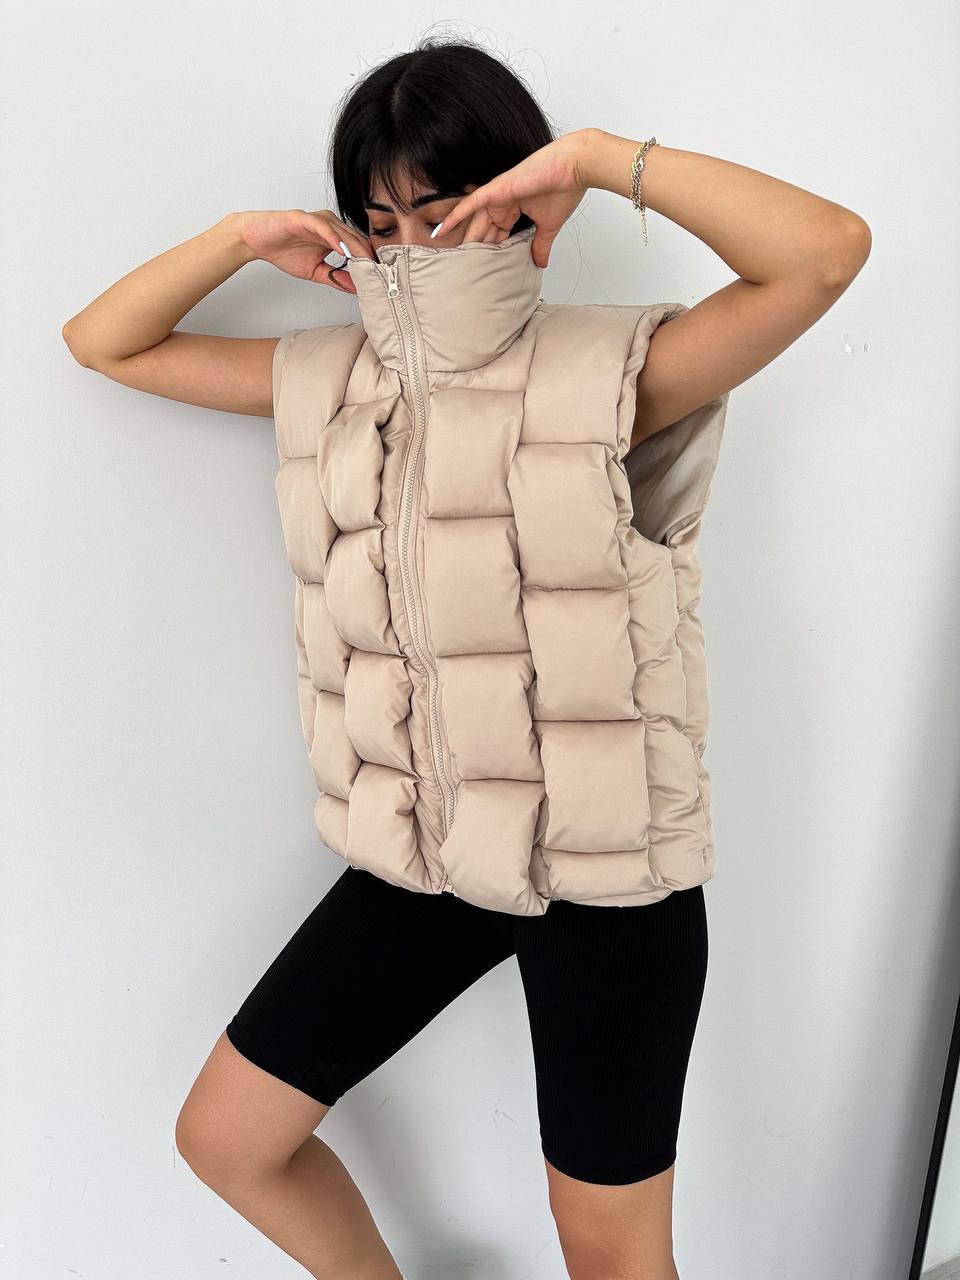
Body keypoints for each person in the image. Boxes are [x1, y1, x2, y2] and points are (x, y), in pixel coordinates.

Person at [61, 34, 871, 1280]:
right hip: (425, 854)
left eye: (440, 211)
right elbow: (103, 341)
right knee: (228, 1139)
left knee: (610, 1252)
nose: (409, 249)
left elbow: (825, 252)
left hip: (609, 878)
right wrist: (238, 238)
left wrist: (598, 158)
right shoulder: (323, 380)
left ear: (513, 198)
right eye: (380, 221)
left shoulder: (618, 371)